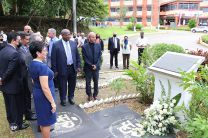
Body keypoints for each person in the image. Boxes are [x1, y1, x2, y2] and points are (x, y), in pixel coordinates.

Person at [0, 32, 29, 131]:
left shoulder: (3, 50)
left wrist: (1, 79)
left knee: (9, 106)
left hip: (6, 86)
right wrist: (2, 79)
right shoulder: (14, 53)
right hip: (14, 85)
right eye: (18, 39)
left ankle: (12, 123)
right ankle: (18, 125)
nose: (20, 41)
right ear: (13, 40)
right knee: (16, 106)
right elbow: (10, 70)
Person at [28, 41, 56, 137]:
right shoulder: (42, 66)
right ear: (38, 53)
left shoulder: (32, 63)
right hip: (45, 96)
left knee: (42, 118)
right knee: (46, 122)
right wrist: (52, 102)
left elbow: (33, 80)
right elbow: (45, 87)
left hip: (37, 92)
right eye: (44, 50)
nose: (46, 52)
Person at [51, 29, 81, 106]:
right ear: (62, 35)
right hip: (62, 68)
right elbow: (53, 58)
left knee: (72, 84)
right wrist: (55, 70)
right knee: (62, 85)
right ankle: (63, 99)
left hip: (72, 68)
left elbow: (77, 56)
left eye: (69, 34)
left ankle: (71, 97)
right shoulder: (56, 44)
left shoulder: (73, 43)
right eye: (67, 34)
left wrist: (78, 66)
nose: (69, 36)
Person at [18, 33, 37, 121]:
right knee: (26, 96)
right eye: (26, 39)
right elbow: (24, 60)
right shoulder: (20, 49)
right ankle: (28, 114)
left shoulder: (26, 47)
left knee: (28, 95)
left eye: (29, 39)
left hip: (28, 75)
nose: (28, 41)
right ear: (21, 39)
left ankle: (28, 112)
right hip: (24, 76)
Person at [82, 32, 102, 101]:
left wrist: (96, 65)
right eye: (93, 37)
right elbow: (85, 58)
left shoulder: (98, 45)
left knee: (96, 81)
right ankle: (89, 95)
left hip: (96, 68)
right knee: (88, 82)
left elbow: (99, 57)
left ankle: (95, 95)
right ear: (89, 38)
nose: (94, 38)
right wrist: (91, 65)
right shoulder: (84, 46)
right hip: (88, 68)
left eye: (95, 37)